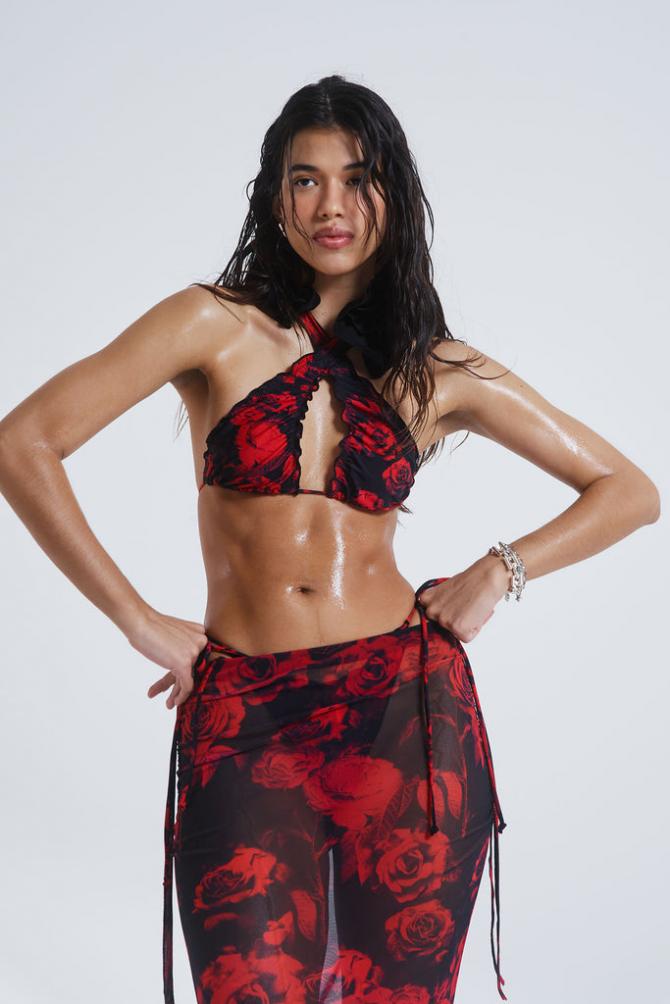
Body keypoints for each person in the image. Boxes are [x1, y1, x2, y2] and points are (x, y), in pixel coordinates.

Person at [0, 74, 660, 1004]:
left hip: (407, 713)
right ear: (276, 197)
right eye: (305, 180)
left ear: (394, 193)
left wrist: (499, 569)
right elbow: (23, 444)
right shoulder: (209, 324)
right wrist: (137, 619)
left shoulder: (437, 369)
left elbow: (631, 492)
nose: (331, 206)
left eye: (357, 178)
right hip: (245, 710)